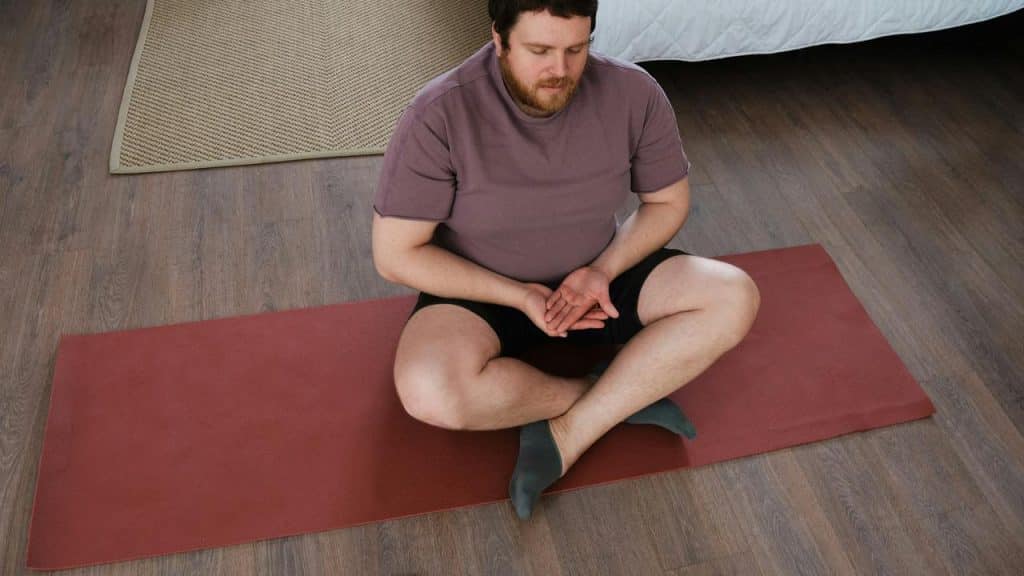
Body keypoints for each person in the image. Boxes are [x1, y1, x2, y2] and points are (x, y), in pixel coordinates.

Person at [371, 0, 760, 519]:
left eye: (577, 49)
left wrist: (603, 270)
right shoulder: (438, 113)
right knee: (430, 392)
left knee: (733, 294)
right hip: (485, 291)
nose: (560, 69)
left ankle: (572, 431)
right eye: (540, 51)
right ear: (499, 38)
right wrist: (519, 295)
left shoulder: (634, 93)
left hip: (596, 280)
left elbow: (668, 202)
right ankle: (611, 393)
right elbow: (395, 255)